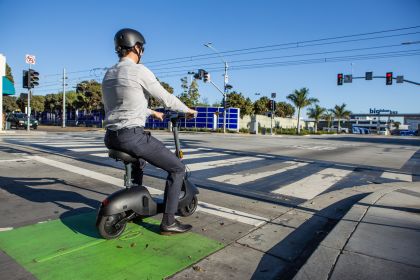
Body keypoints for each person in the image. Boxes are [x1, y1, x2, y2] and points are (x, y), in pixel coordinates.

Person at [102, 28, 198, 235]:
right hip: (132, 136)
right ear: (136, 47)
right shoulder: (139, 70)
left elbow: (121, 104)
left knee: (139, 161)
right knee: (177, 169)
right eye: (142, 48)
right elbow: (166, 97)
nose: (142, 52)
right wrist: (187, 110)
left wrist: (151, 112)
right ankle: (169, 222)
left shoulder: (109, 74)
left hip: (111, 137)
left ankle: (134, 206)